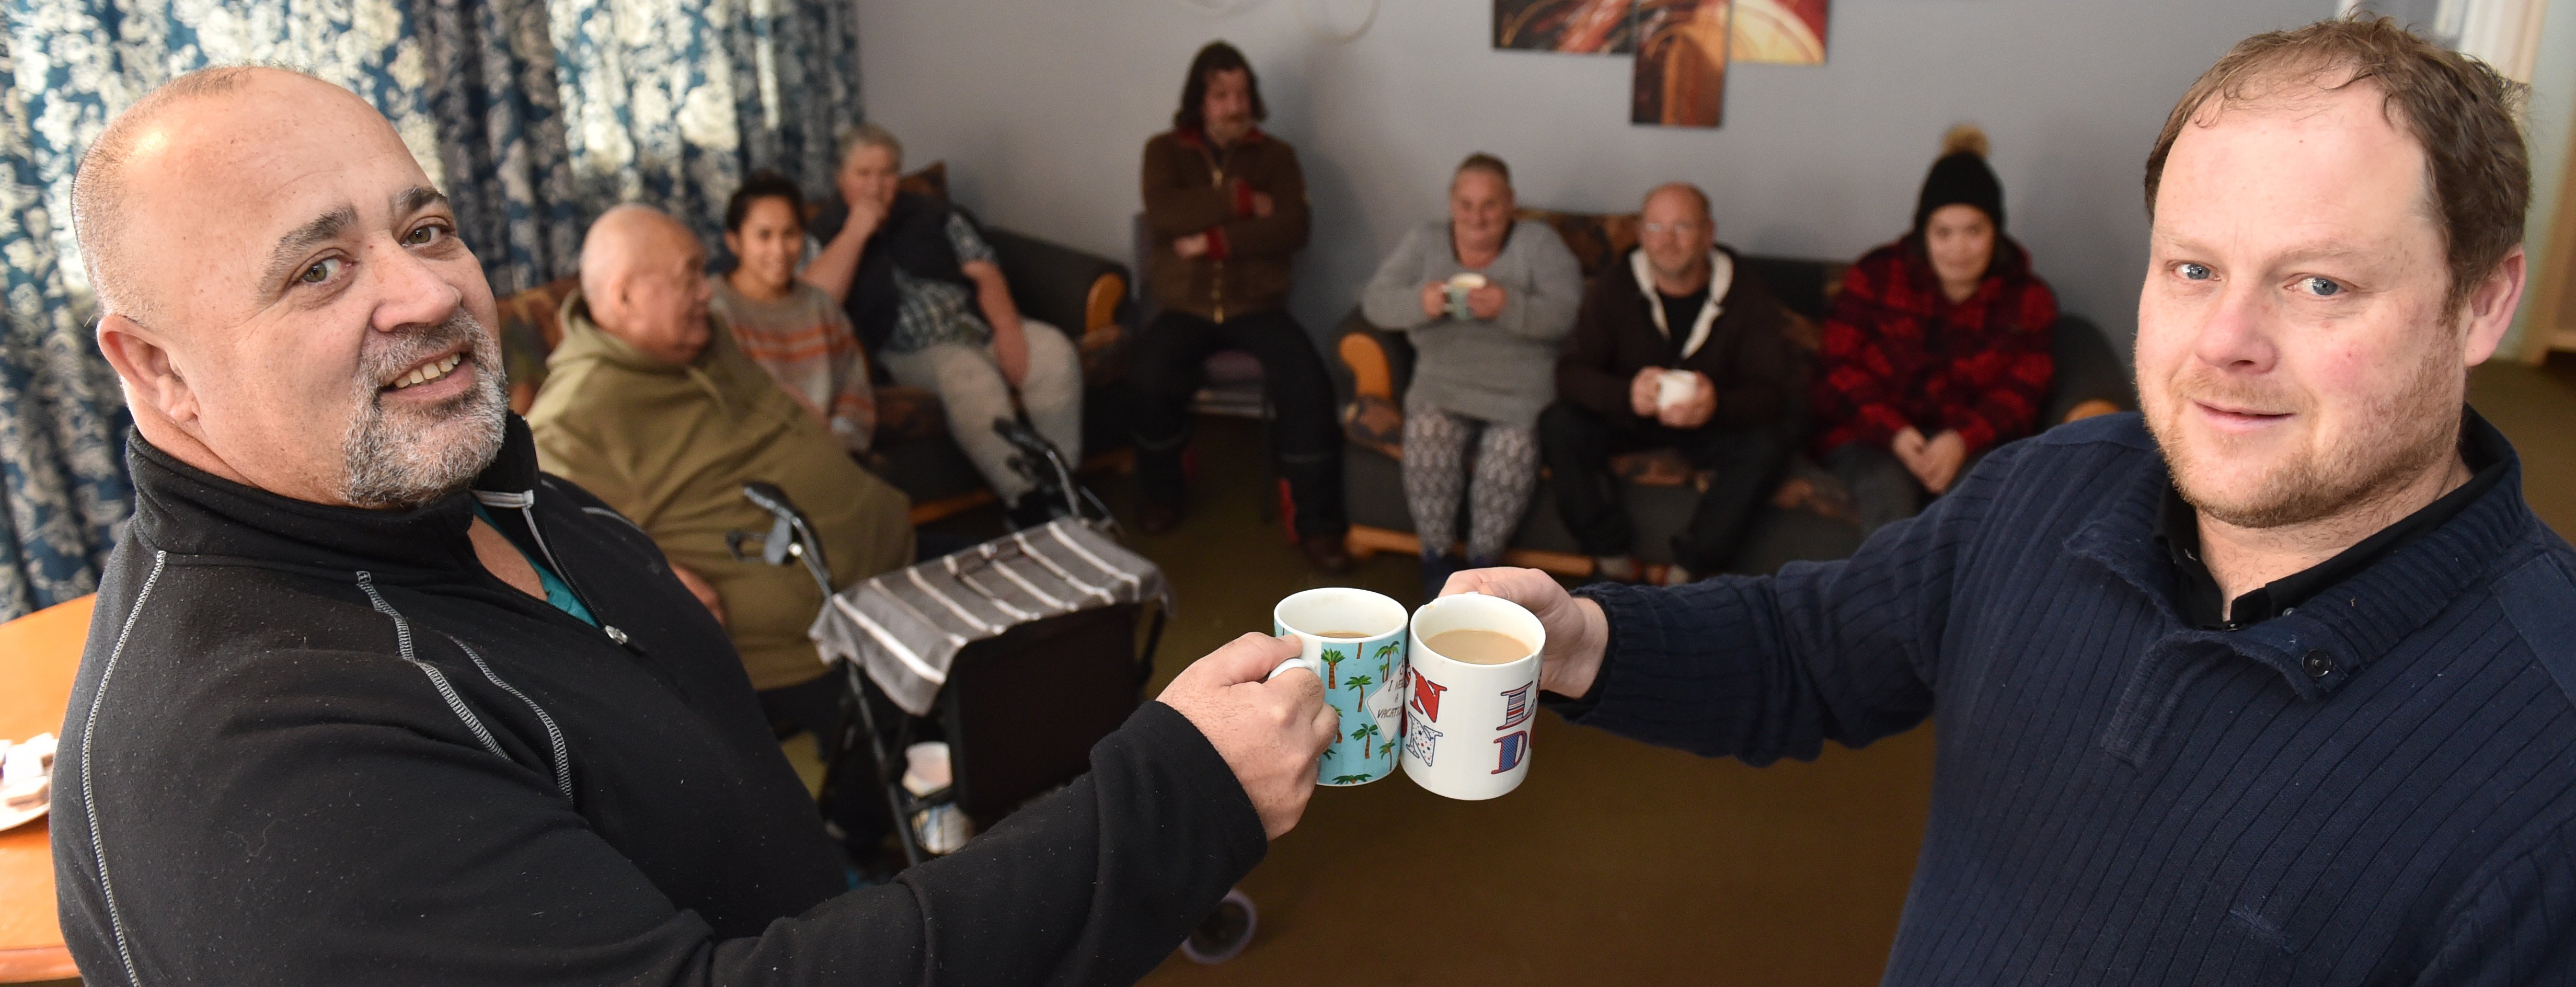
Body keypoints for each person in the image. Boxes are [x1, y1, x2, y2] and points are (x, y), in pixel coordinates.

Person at [55, 66, 1337, 985]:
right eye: (318, 266)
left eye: (427, 225)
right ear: (156, 367)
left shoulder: (450, 484)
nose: (429, 291)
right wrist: (1180, 793)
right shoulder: (257, 763)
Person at [1448, 18, 2575, 982]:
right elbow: (1810, 649)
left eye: (2319, 282)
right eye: (2191, 268)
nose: (2225, 344)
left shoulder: (2546, 775)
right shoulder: (2047, 487)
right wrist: (1585, 636)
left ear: (2481, 303)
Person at [526, 202, 918, 854]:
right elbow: (539, 543)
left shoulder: (704, 336)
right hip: (806, 632)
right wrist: (649, 571)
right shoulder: (574, 419)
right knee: (917, 697)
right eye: (687, 276)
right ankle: (852, 836)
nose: (706, 289)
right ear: (623, 296)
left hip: (882, 562)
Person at [1132, 40, 1350, 571]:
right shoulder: (1163, 151)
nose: (1234, 105)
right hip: (1185, 305)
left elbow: (1292, 228)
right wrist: (1241, 201)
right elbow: (1164, 215)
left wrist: (1212, 241)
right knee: (1145, 374)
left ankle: (1314, 522)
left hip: (1256, 305)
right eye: (1220, 94)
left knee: (1306, 381)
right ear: (1198, 101)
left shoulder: (1277, 157)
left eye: (1241, 92)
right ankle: (1165, 491)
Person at [801, 124, 1085, 527]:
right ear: (840, 180)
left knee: (1054, 352)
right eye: (863, 174)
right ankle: (1025, 502)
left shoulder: (933, 213)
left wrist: (1008, 330)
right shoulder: (823, 234)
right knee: (969, 378)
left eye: (887, 173)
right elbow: (814, 304)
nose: (876, 186)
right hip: (910, 351)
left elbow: (986, 272)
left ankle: (1061, 485)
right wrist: (855, 232)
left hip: (978, 327)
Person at [1539, 183, 1808, 585]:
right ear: (1642, 234)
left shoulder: (1745, 293)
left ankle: (1690, 569)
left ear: (1709, 233)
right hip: (1632, 419)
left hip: (1712, 425)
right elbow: (1570, 374)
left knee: (1768, 443)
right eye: (1656, 228)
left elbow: (1773, 392)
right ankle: (1611, 558)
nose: (1667, 241)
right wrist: (1626, 394)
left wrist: (1716, 404)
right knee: (1559, 422)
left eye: (1682, 227)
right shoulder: (1616, 286)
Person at [1809, 124, 2057, 535]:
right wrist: (1896, 433)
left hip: (1974, 443)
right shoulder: (1875, 276)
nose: (1958, 250)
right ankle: (1890, 601)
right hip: (1874, 437)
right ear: (1924, 234)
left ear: (1995, 233)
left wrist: (1961, 440)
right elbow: (1838, 369)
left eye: (1973, 232)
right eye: (1943, 233)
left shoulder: (2029, 298)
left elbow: (2023, 392)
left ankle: (1959, 601)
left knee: (1973, 506)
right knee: (1889, 495)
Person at [1360, 153, 1581, 597]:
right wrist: (1419, 303)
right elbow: (1376, 302)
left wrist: (1508, 306)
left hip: (1518, 394)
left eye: (1491, 205)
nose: (1477, 217)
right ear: (1452, 204)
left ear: (1511, 204)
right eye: (1467, 205)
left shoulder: (1538, 243)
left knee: (1513, 450)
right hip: (1441, 386)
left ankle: (1484, 567)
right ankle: (1437, 561)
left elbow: (1569, 314)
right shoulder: (1426, 241)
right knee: (1428, 436)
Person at [712, 169, 877, 456]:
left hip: (833, 456)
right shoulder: (713, 308)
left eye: (790, 234)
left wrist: (835, 445)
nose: (779, 251)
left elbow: (855, 394)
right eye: (764, 236)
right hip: (759, 461)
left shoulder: (821, 306)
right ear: (734, 242)